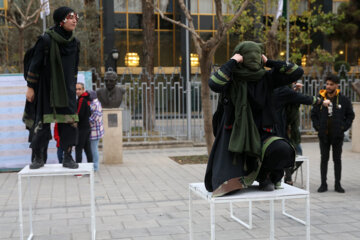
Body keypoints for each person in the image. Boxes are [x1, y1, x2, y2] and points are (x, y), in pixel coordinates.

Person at [205, 41, 304, 197]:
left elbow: (297, 71)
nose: (253, 58)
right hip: (235, 134)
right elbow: (214, 83)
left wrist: (269, 62)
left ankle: (266, 175)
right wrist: (232, 62)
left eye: (256, 54)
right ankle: (241, 179)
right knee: (228, 179)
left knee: (282, 149)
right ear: (241, 57)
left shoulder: (267, 77)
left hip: (264, 132)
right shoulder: (231, 79)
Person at [24, 6, 80, 169]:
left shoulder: (75, 43)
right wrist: (30, 87)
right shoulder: (46, 39)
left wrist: (72, 86)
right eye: (71, 17)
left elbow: (74, 69)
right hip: (46, 89)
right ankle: (39, 158)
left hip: (67, 91)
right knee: (42, 123)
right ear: (61, 20)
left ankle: (68, 157)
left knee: (69, 123)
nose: (75, 20)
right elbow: (34, 65)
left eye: (76, 17)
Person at [311, 74, 355, 193]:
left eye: (331, 84)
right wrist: (318, 127)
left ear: (336, 85)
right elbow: (313, 114)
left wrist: (343, 127)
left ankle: (337, 184)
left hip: (337, 136)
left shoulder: (343, 100)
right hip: (323, 136)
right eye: (327, 84)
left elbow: (350, 115)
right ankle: (323, 184)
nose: (328, 86)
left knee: (337, 159)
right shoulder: (320, 99)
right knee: (324, 159)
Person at [272, 83, 323, 185]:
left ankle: (287, 174)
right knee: (285, 154)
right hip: (283, 130)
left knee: (299, 155)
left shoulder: (290, 95)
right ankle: (285, 178)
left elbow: (297, 98)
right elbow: (302, 98)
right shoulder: (283, 93)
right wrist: (319, 101)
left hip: (293, 132)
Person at [75, 83, 93, 164]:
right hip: (86, 127)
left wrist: (74, 121)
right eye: (76, 89)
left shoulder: (82, 99)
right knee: (87, 149)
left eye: (79, 89)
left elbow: (79, 114)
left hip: (82, 128)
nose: (77, 91)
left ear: (83, 90)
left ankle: (79, 170)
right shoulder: (87, 98)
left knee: (78, 149)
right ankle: (91, 168)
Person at [88, 90, 104, 172]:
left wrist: (86, 121)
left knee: (94, 149)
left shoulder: (95, 104)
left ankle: (95, 167)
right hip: (95, 131)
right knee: (93, 149)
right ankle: (94, 166)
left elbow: (94, 118)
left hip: (95, 131)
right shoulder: (96, 103)